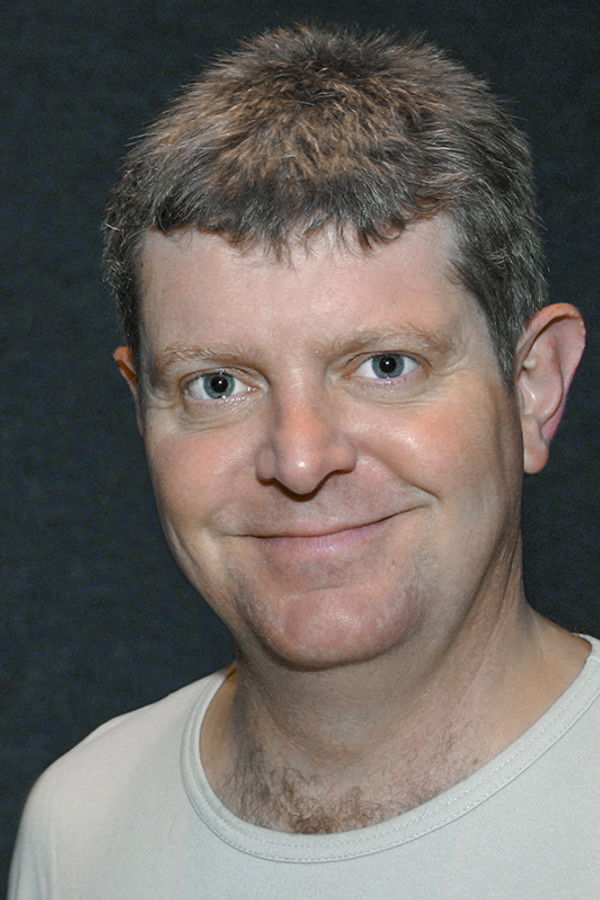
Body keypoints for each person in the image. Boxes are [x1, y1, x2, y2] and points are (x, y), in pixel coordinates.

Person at [9, 24, 599, 899]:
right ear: (140, 408)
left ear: (533, 390)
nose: (299, 459)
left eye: (385, 366)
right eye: (217, 384)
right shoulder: (81, 826)